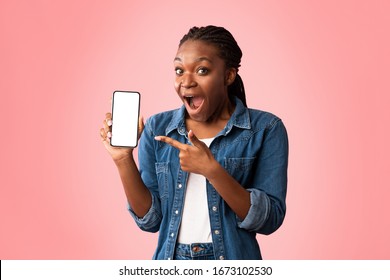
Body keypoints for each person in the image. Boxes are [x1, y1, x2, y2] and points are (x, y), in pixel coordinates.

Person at [100, 25, 288, 260]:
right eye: (179, 70)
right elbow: (151, 220)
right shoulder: (158, 128)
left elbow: (269, 220)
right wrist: (123, 159)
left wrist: (212, 171)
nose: (186, 82)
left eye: (201, 70)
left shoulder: (265, 129)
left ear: (228, 75)